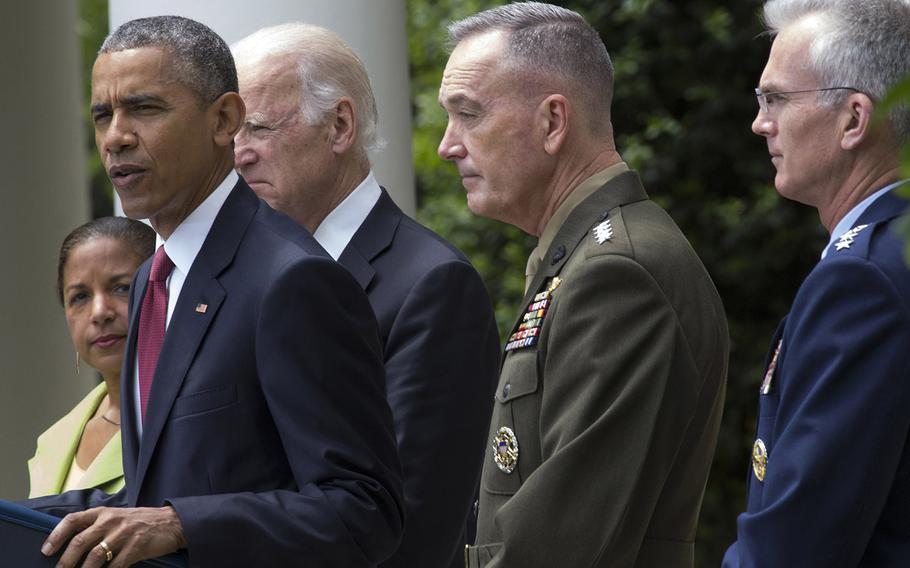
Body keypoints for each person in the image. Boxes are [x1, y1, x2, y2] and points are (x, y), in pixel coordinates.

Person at [26, 15, 404, 568]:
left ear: (225, 118)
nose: (116, 137)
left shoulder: (292, 279)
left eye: (145, 108)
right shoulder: (158, 280)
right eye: (103, 115)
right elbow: (152, 494)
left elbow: (364, 510)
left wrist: (181, 524)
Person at [437, 3, 729, 567]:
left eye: (468, 114)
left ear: (552, 122)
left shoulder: (618, 273)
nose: (449, 144)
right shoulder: (584, 256)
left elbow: (557, 549)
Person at [231, 23, 500, 568]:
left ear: (338, 125)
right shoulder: (240, 280)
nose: (239, 155)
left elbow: (410, 531)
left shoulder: (432, 285)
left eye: (257, 128)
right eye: (231, 134)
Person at [723, 1, 910, 566]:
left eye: (775, 98)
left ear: (854, 119)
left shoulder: (864, 278)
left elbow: (795, 544)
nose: (760, 122)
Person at [28, 217, 154, 498]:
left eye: (121, 288)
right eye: (80, 296)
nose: (99, 312)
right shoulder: (52, 440)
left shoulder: (194, 420)